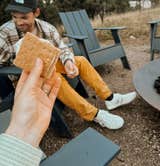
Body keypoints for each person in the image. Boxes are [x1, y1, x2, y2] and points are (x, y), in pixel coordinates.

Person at [0, 0, 137, 130]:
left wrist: (68, 61)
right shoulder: (5, 32)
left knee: (81, 61)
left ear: (36, 13)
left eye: (24, 17)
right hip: (24, 75)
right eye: (14, 17)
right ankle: (94, 114)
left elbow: (62, 48)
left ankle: (110, 98)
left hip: (48, 65)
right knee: (54, 76)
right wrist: (20, 52)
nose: (18, 22)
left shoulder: (47, 28)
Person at [0, 58, 61, 166]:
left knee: (78, 63)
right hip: (29, 77)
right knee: (59, 83)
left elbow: (61, 46)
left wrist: (68, 60)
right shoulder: (6, 41)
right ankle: (93, 113)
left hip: (54, 69)